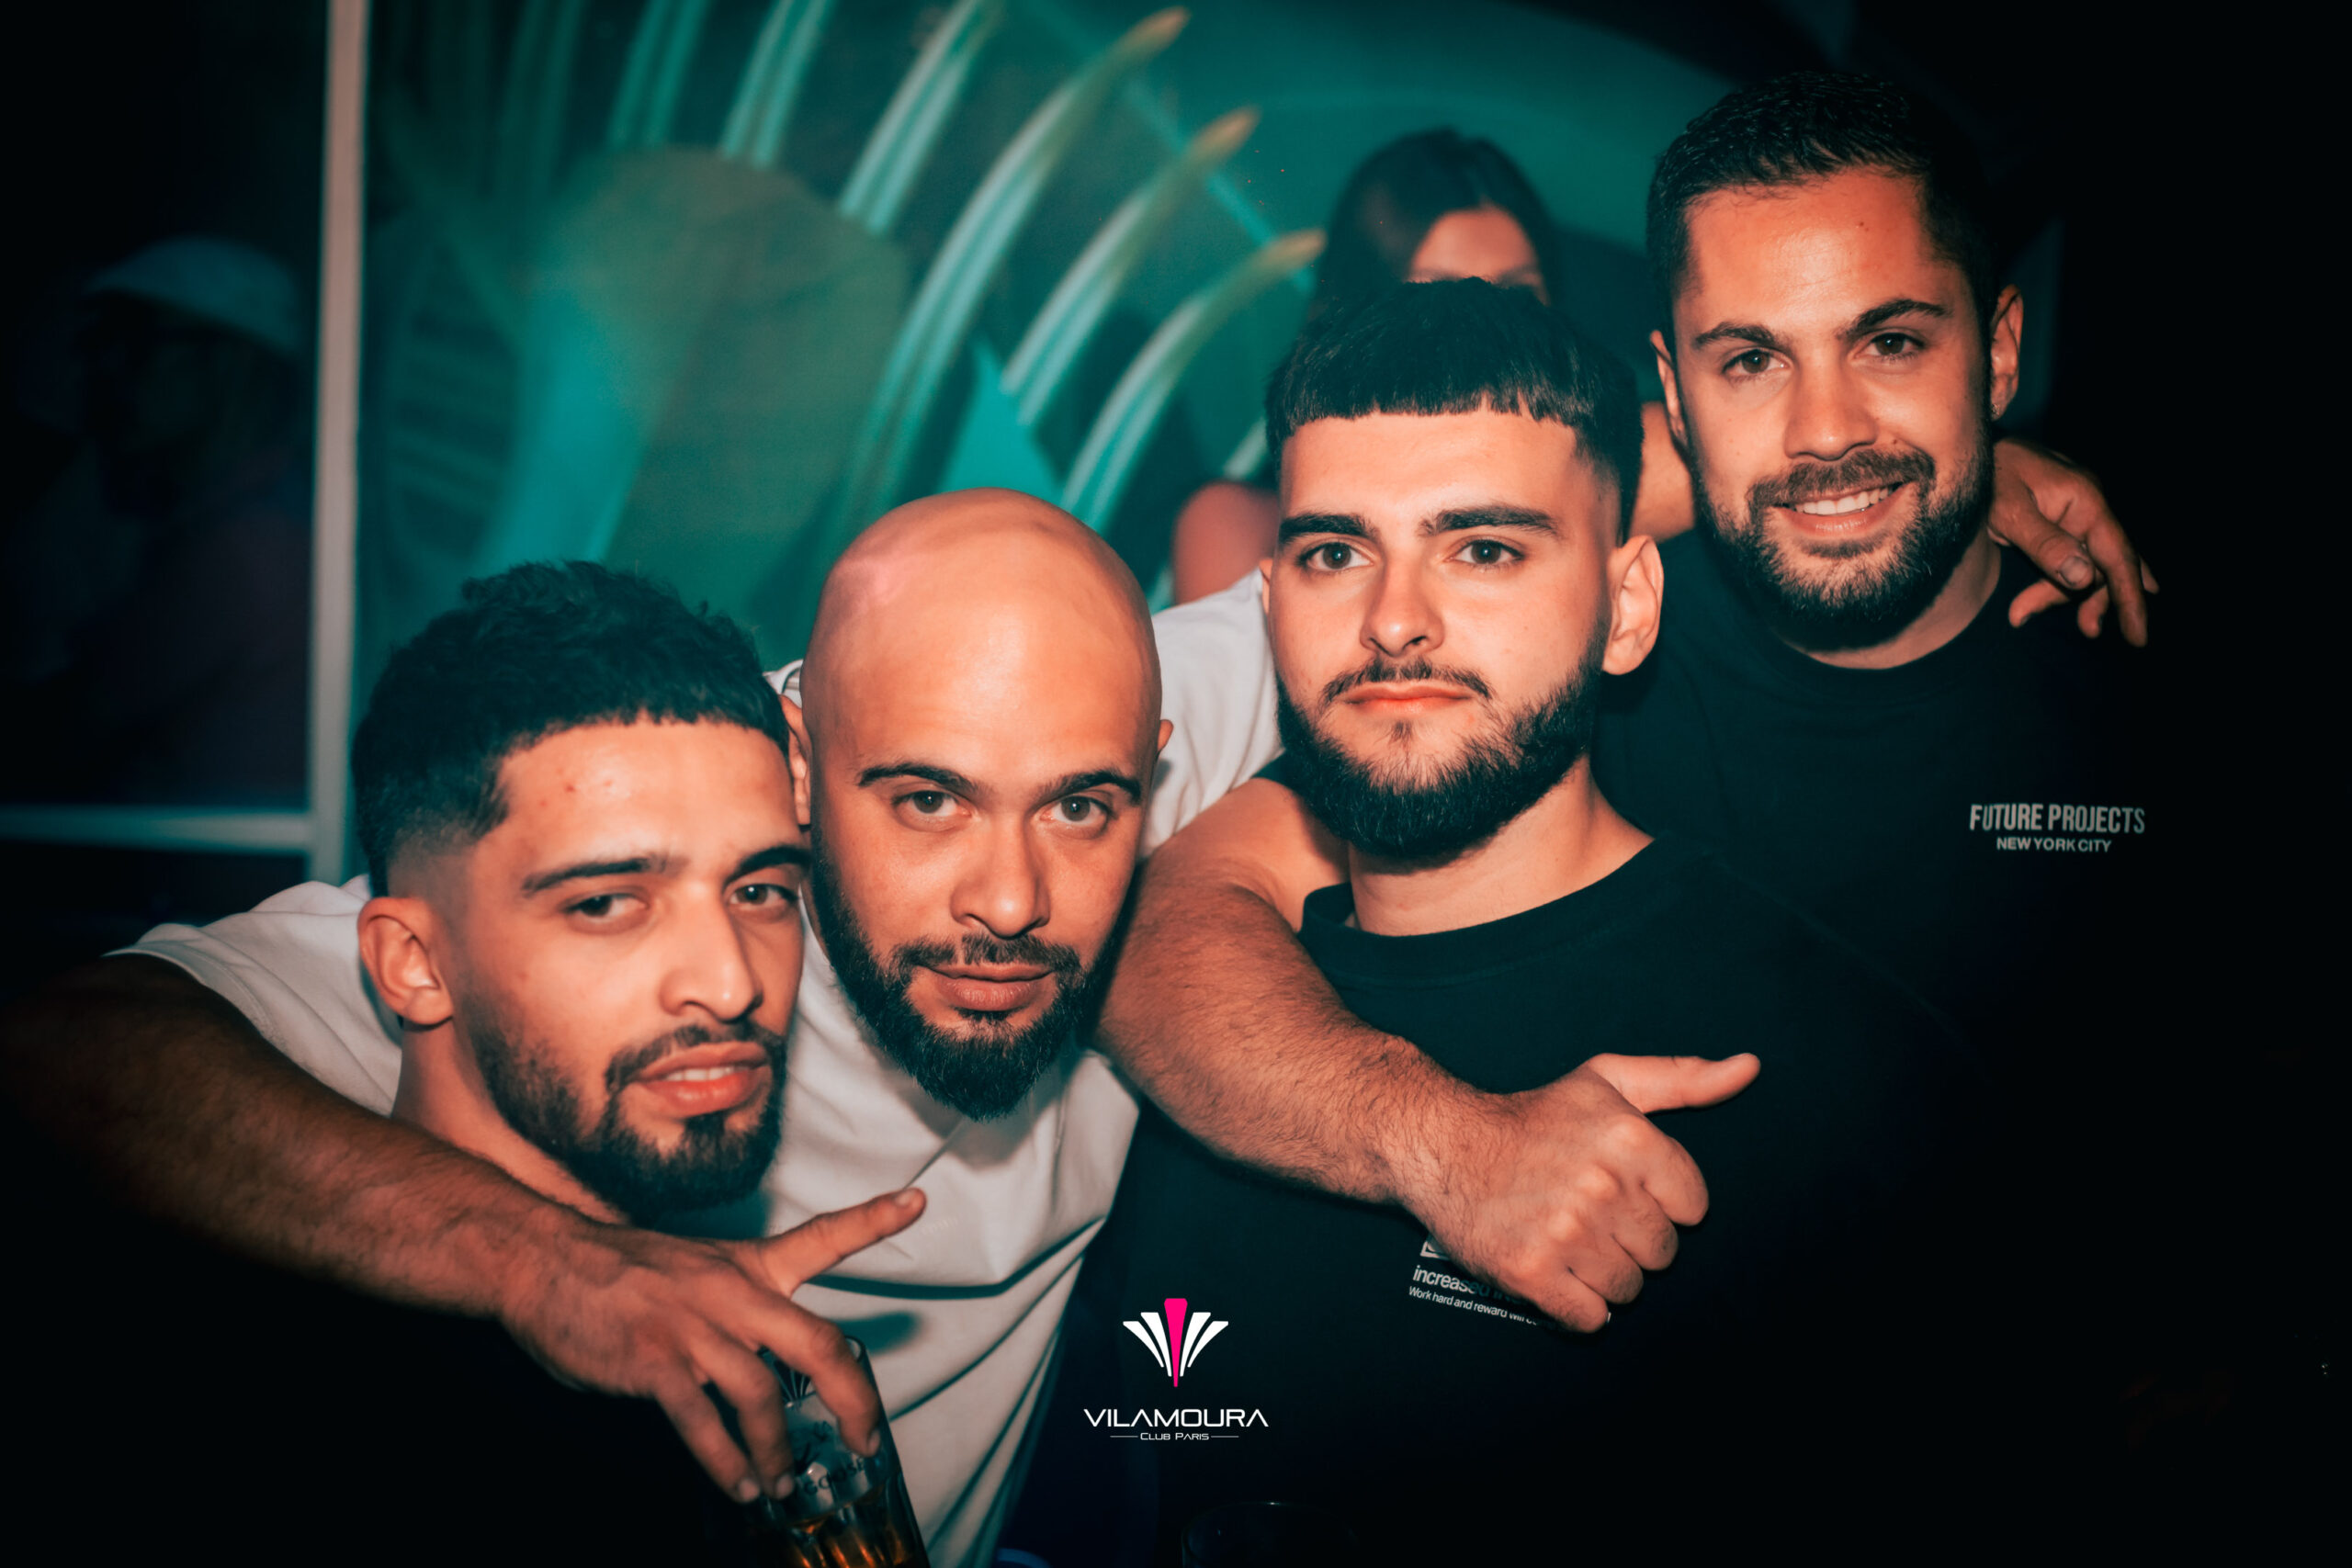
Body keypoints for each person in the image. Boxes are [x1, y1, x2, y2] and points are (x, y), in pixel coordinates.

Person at [1, 489, 1747, 1566]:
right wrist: (560, 1266)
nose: (1009, 898)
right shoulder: (623, 908)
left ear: (1148, 769)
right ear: (800, 755)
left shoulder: (1104, 698)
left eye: (1081, 808)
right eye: (921, 801)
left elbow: (1496, 495)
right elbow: (70, 1042)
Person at [1100, 71, 2167, 1426]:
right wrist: (1449, 1146)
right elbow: (1167, 922)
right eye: (1750, 360)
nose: (1828, 430)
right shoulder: (1555, 662)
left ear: (1997, 352)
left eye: (1892, 343)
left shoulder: (2139, 688)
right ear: (1675, 386)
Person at [1073, 276, 1988, 1553]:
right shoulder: (1175, 1036)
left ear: (1627, 608)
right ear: (1273, 607)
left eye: (1484, 548)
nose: (1394, 620)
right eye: (1337, 552)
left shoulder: (1842, 1086)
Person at [1166, 129, 2153, 657]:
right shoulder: (1236, 525)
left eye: (1515, 297)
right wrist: (1969, 471)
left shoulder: (1623, 544)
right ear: (1352, 313)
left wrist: (1949, 460)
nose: (1479, 336)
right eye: (1433, 299)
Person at [2, 236, 312, 802]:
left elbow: (51, 738)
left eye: (136, 343)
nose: (105, 371)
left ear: (229, 365)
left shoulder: (246, 547)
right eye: (100, 345)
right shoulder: (244, 522)